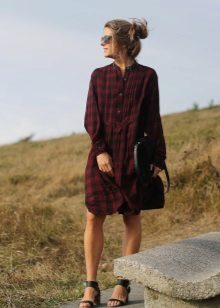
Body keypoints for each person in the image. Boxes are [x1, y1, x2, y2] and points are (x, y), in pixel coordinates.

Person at [80, 18, 166, 307]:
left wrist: (157, 158)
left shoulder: (148, 76)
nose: (102, 43)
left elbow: (153, 119)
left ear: (123, 43)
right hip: (102, 157)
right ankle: (91, 286)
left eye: (106, 38)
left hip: (132, 158)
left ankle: (122, 283)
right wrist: (101, 150)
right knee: (94, 215)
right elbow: (92, 118)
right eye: (101, 38)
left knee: (132, 215)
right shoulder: (98, 76)